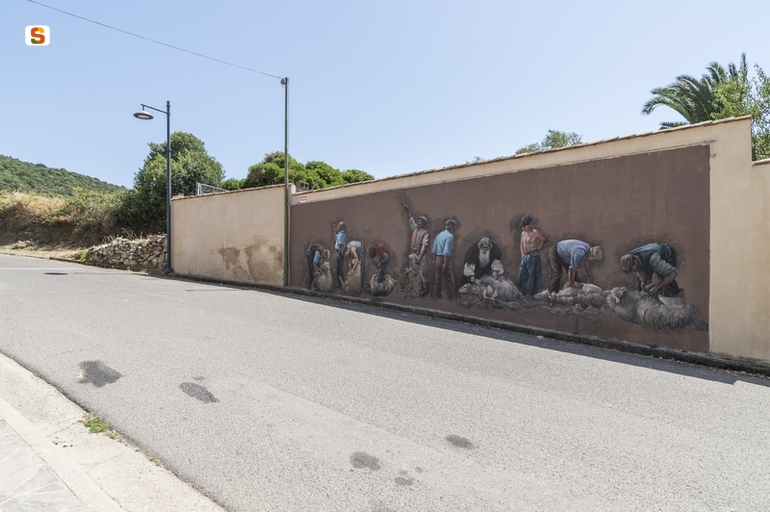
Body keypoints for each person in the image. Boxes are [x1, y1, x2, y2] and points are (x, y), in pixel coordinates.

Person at [518, 216, 548, 295]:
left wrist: (540, 250)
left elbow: (546, 242)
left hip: (534, 257)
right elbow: (522, 244)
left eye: (525, 226)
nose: (523, 228)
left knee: (533, 277)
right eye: (522, 226)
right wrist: (522, 254)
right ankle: (521, 294)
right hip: (525, 257)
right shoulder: (523, 233)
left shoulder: (536, 232)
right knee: (521, 276)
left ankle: (534, 295)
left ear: (530, 225)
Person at [404, 205, 430, 297]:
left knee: (422, 273)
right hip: (413, 253)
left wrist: (420, 256)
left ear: (423, 224)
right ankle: (413, 288)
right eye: (418, 221)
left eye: (420, 221)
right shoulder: (415, 228)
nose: (418, 222)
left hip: (420, 254)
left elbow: (424, 246)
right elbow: (411, 220)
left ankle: (424, 289)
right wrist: (408, 210)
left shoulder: (425, 233)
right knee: (412, 271)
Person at [432, 219, 458, 300]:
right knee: (450, 281)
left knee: (437, 280)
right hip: (444, 259)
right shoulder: (450, 236)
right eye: (454, 227)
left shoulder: (439, 235)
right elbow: (446, 251)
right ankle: (452, 299)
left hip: (437, 258)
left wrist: (434, 259)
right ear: (450, 227)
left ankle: (435, 297)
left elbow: (434, 249)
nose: (454, 229)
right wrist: (445, 263)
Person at [332, 221, 347, 288]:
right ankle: (340, 283)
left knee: (339, 269)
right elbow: (335, 238)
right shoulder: (340, 234)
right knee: (338, 268)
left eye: (338, 226)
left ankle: (341, 284)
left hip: (339, 252)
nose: (337, 227)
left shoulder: (342, 235)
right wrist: (334, 231)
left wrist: (338, 254)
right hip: (338, 252)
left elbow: (340, 246)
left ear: (341, 227)